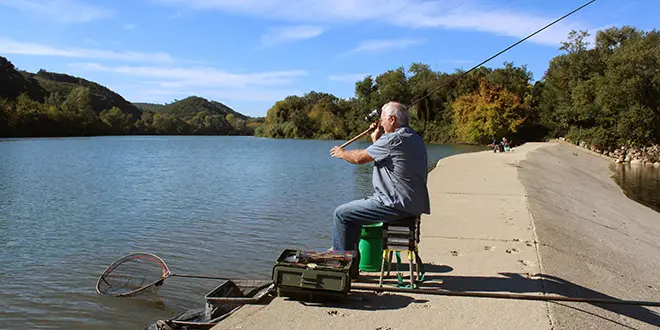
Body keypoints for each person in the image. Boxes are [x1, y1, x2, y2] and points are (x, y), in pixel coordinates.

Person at [329, 101, 431, 256]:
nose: (381, 123)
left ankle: (342, 261)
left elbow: (359, 159)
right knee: (353, 213)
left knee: (341, 214)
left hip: (395, 204)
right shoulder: (413, 137)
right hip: (411, 204)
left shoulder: (393, 139)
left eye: (382, 119)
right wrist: (376, 138)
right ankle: (351, 262)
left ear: (392, 119)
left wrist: (341, 152)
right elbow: (387, 157)